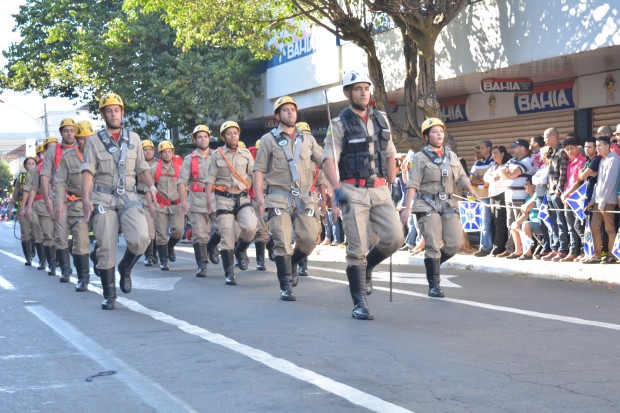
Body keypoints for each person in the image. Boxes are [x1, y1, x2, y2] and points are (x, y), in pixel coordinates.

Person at [321, 71, 402, 320]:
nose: (363, 92)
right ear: (347, 93)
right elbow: (328, 160)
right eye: (357, 88)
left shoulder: (381, 118)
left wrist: (392, 181)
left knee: (395, 237)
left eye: (366, 88)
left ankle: (369, 267)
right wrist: (337, 190)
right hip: (352, 190)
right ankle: (359, 304)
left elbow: (390, 153)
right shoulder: (338, 124)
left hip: (380, 189)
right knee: (356, 249)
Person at [81, 92, 156, 310]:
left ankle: (125, 267)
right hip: (103, 197)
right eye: (109, 111)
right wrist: (86, 199)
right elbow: (88, 171)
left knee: (142, 238)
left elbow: (142, 167)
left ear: (122, 112)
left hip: (129, 196)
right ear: (103, 114)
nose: (113, 114)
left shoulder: (134, 139)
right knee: (106, 244)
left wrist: (151, 187)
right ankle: (110, 295)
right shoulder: (94, 142)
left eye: (116, 110)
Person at [253, 95, 325, 302]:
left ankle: (294, 262)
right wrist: (259, 198)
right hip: (278, 196)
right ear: (277, 116)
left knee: (309, 239)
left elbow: (324, 161)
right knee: (282, 240)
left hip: (305, 197)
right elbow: (258, 170)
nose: (290, 112)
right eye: (285, 110)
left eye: (292, 109)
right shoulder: (268, 140)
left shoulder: (308, 139)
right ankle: (285, 286)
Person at [401, 117, 478, 298]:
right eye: (434, 132)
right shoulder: (419, 158)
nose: (439, 135)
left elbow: (462, 176)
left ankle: (433, 264)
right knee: (433, 244)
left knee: (455, 243)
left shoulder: (451, 155)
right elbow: (412, 184)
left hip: (448, 204)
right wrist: (407, 208)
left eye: (441, 131)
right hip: (427, 204)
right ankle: (434, 285)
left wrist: (472, 191)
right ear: (426, 136)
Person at [205, 121, 257, 285]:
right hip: (223, 199)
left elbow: (254, 175)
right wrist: (209, 200)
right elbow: (210, 179)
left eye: (235, 133)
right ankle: (229, 273)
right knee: (227, 235)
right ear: (223, 137)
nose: (233, 136)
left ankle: (240, 250)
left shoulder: (246, 154)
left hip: (242, 197)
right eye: (229, 133)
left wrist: (259, 196)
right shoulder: (217, 155)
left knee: (250, 227)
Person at [53, 120, 94, 290]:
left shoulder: (102, 154)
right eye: (82, 138)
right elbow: (59, 181)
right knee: (81, 241)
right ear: (77, 139)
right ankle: (83, 277)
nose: (86, 142)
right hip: (78, 205)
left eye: (89, 138)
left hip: (101, 202)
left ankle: (100, 260)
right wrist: (59, 203)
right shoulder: (68, 157)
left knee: (106, 241)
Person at [40, 118, 77, 281]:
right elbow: (45, 175)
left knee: (81, 237)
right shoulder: (53, 150)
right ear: (61, 133)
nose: (69, 134)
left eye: (72, 130)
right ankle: (65, 271)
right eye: (66, 131)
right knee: (61, 236)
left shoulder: (83, 147)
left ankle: (84, 270)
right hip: (59, 199)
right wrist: (47, 198)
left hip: (79, 198)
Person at [178, 125, 215, 277]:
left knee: (223, 229)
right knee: (199, 234)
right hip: (197, 199)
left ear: (209, 138)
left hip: (217, 198)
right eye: (199, 137)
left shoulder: (218, 155)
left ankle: (212, 246)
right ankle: (202, 265)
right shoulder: (189, 159)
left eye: (205, 136)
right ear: (195, 139)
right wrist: (184, 201)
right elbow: (182, 182)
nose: (203, 139)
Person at [25, 136, 59, 275]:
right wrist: (27, 207)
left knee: (62, 236)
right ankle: (50, 263)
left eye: (55, 146)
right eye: (50, 147)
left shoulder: (65, 161)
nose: (53, 149)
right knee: (46, 235)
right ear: (44, 151)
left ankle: (62, 262)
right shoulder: (37, 169)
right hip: (43, 205)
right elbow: (31, 188)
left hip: (64, 203)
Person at [585, 136, 620, 264]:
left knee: (609, 228)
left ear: (607, 146)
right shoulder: (602, 160)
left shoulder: (614, 160)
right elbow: (598, 183)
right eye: (597, 145)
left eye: (600, 145)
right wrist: (593, 200)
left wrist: (603, 202)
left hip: (608, 201)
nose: (597, 148)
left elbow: (610, 183)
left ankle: (611, 254)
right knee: (594, 227)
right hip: (599, 201)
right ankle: (597, 255)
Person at [151, 140, 184, 271]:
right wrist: (152, 204)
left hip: (176, 205)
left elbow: (184, 187)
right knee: (161, 234)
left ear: (172, 153)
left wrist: (185, 202)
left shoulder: (180, 169)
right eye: (164, 152)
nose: (167, 154)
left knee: (179, 231)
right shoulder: (154, 169)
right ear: (160, 154)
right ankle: (164, 261)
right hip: (161, 205)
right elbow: (150, 188)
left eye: (169, 152)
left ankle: (170, 246)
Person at [498, 139, 534, 259]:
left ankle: (523, 250)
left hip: (520, 197)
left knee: (519, 224)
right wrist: (509, 173)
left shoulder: (527, 160)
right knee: (510, 224)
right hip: (509, 196)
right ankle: (512, 249)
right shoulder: (512, 160)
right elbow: (501, 171)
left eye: (516, 147)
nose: (514, 149)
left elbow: (513, 173)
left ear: (523, 148)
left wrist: (509, 174)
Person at [542, 128, 570, 261]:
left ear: (553, 137)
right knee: (552, 222)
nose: (544, 140)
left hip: (556, 192)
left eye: (546, 137)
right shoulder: (551, 152)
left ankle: (562, 249)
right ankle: (554, 248)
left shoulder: (561, 152)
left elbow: (563, 173)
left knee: (560, 222)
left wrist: (559, 191)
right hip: (549, 191)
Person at [559, 136, 586, 262]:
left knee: (579, 226)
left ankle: (583, 250)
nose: (569, 151)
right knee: (570, 227)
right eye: (567, 149)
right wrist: (564, 194)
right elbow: (567, 181)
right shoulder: (569, 162)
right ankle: (573, 251)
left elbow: (578, 182)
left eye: (571, 148)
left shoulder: (582, 161)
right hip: (568, 199)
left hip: (578, 199)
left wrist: (566, 193)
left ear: (577, 147)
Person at [7, 156, 38, 265]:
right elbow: (15, 194)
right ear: (25, 166)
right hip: (22, 208)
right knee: (25, 233)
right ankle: (28, 257)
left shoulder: (40, 175)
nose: (31, 165)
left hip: (37, 207)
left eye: (33, 164)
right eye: (28, 164)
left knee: (36, 233)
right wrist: (10, 208)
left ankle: (34, 248)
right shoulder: (20, 178)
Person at [483, 146, 512, 257]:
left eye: (496, 153)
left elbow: (503, 180)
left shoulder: (507, 164)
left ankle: (499, 247)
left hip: (502, 195)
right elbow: (485, 177)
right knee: (495, 222)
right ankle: (497, 246)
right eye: (493, 153)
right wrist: (493, 179)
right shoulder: (493, 166)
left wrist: (495, 179)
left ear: (502, 154)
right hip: (492, 195)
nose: (493, 155)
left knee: (501, 222)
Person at [578, 137, 602, 263]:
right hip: (585, 197)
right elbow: (579, 176)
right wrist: (589, 173)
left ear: (595, 148)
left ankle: (595, 252)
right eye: (585, 147)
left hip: (593, 196)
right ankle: (587, 251)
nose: (587, 149)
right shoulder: (587, 161)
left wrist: (586, 173)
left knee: (593, 226)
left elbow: (582, 175)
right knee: (582, 225)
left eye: (590, 147)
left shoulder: (596, 160)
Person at [471, 140, 494, 257]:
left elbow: (490, 180)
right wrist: (483, 180)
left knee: (487, 222)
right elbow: (472, 180)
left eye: (482, 147)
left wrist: (481, 179)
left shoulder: (493, 161)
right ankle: (486, 246)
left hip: (491, 195)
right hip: (480, 195)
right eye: (479, 148)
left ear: (489, 148)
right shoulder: (478, 163)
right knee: (483, 222)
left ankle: (486, 247)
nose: (480, 150)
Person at [139, 139, 159, 266]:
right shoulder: (137, 164)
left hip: (158, 198)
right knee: (148, 228)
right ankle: (149, 255)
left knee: (158, 228)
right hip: (141, 197)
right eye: (145, 150)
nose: (148, 152)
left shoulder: (159, 163)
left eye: (150, 149)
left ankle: (155, 251)